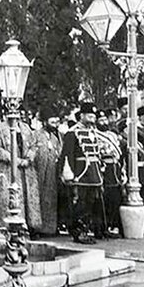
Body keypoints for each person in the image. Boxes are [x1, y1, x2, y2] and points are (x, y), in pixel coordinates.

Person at [57, 102, 104, 244]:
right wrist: (69, 174)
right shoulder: (72, 133)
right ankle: (78, 232)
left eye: (93, 116)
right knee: (80, 204)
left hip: (94, 174)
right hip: (80, 173)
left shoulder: (93, 132)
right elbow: (67, 154)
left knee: (90, 203)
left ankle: (87, 229)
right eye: (89, 115)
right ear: (82, 115)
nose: (92, 118)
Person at [0, 104, 42, 235]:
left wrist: (29, 158)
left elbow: (34, 145)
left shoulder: (26, 128)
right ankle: (6, 226)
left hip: (26, 170)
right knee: (9, 196)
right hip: (8, 169)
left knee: (27, 196)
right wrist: (15, 160)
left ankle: (30, 226)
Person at [33, 106, 63, 236]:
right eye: (52, 122)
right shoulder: (35, 136)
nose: (55, 125)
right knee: (38, 200)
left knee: (51, 200)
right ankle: (36, 228)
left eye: (57, 122)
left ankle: (50, 228)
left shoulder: (56, 138)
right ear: (45, 122)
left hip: (52, 174)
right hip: (38, 174)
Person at [96, 109, 125, 237]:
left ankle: (113, 225)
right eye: (101, 120)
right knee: (105, 199)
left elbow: (119, 151)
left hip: (115, 168)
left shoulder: (112, 135)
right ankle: (104, 226)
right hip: (104, 168)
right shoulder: (95, 135)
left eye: (105, 120)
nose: (104, 122)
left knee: (116, 198)